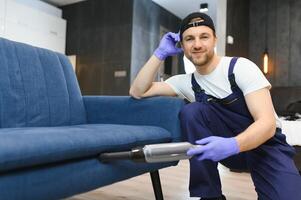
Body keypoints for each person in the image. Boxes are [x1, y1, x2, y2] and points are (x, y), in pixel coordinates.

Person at [129, 12, 301, 200]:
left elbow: (267, 124)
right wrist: (159, 54)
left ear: (215, 40)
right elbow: (138, 91)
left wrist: (233, 144)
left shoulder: (240, 68)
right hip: (229, 152)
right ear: (182, 46)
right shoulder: (185, 82)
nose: (197, 44)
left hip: (265, 147)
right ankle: (209, 195)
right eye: (189, 39)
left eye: (204, 37)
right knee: (192, 111)